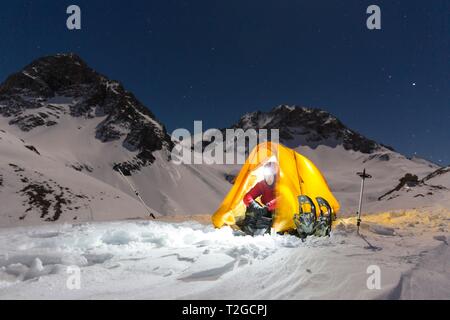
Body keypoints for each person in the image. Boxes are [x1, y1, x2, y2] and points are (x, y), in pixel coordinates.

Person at [239, 161, 278, 235]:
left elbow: (283, 198)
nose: (268, 178)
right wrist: (253, 205)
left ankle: (263, 230)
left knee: (269, 213)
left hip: (277, 211)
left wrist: (269, 206)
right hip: (264, 210)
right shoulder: (262, 184)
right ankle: (249, 228)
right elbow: (247, 196)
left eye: (271, 176)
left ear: (276, 176)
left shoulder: (281, 185)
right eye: (266, 176)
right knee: (252, 206)